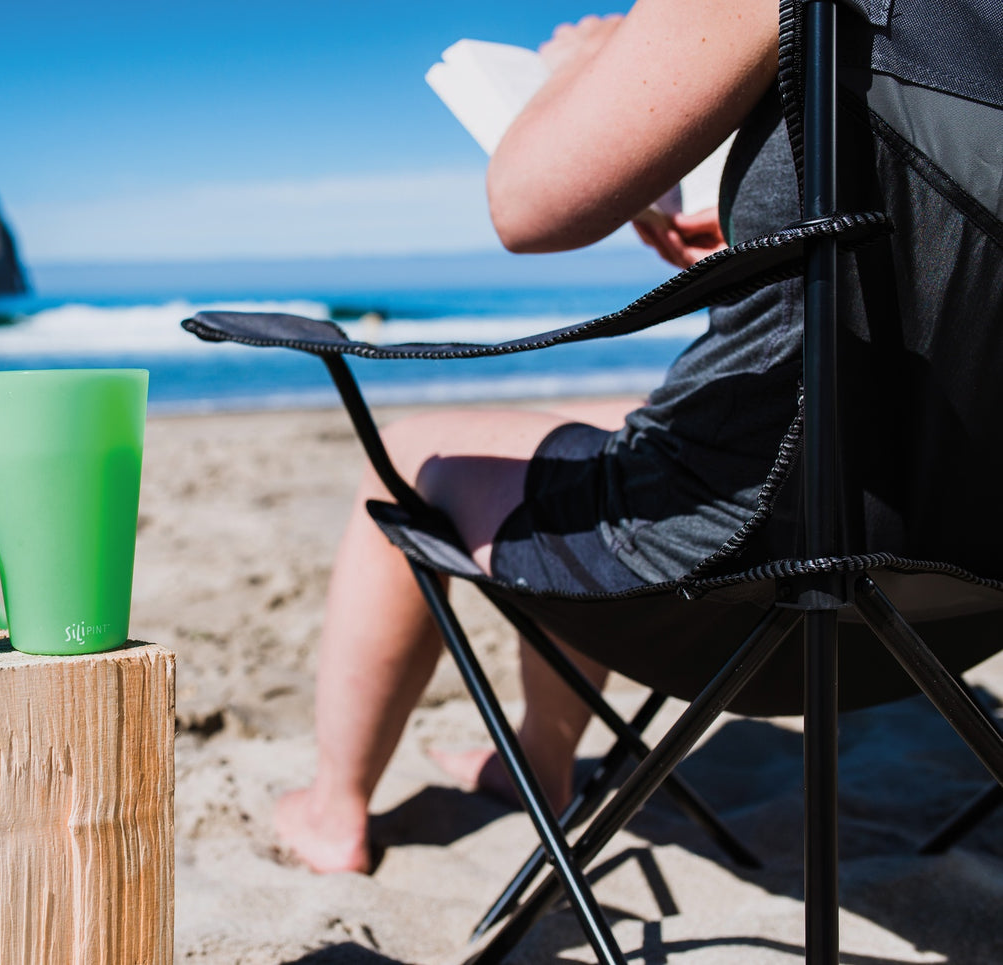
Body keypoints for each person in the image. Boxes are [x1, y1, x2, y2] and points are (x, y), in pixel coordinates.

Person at [274, 0, 787, 874]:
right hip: (948, 586)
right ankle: (540, 765)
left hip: (743, 569)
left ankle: (332, 809)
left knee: (408, 458)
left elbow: (527, 207)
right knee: (597, 447)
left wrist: (591, 68)